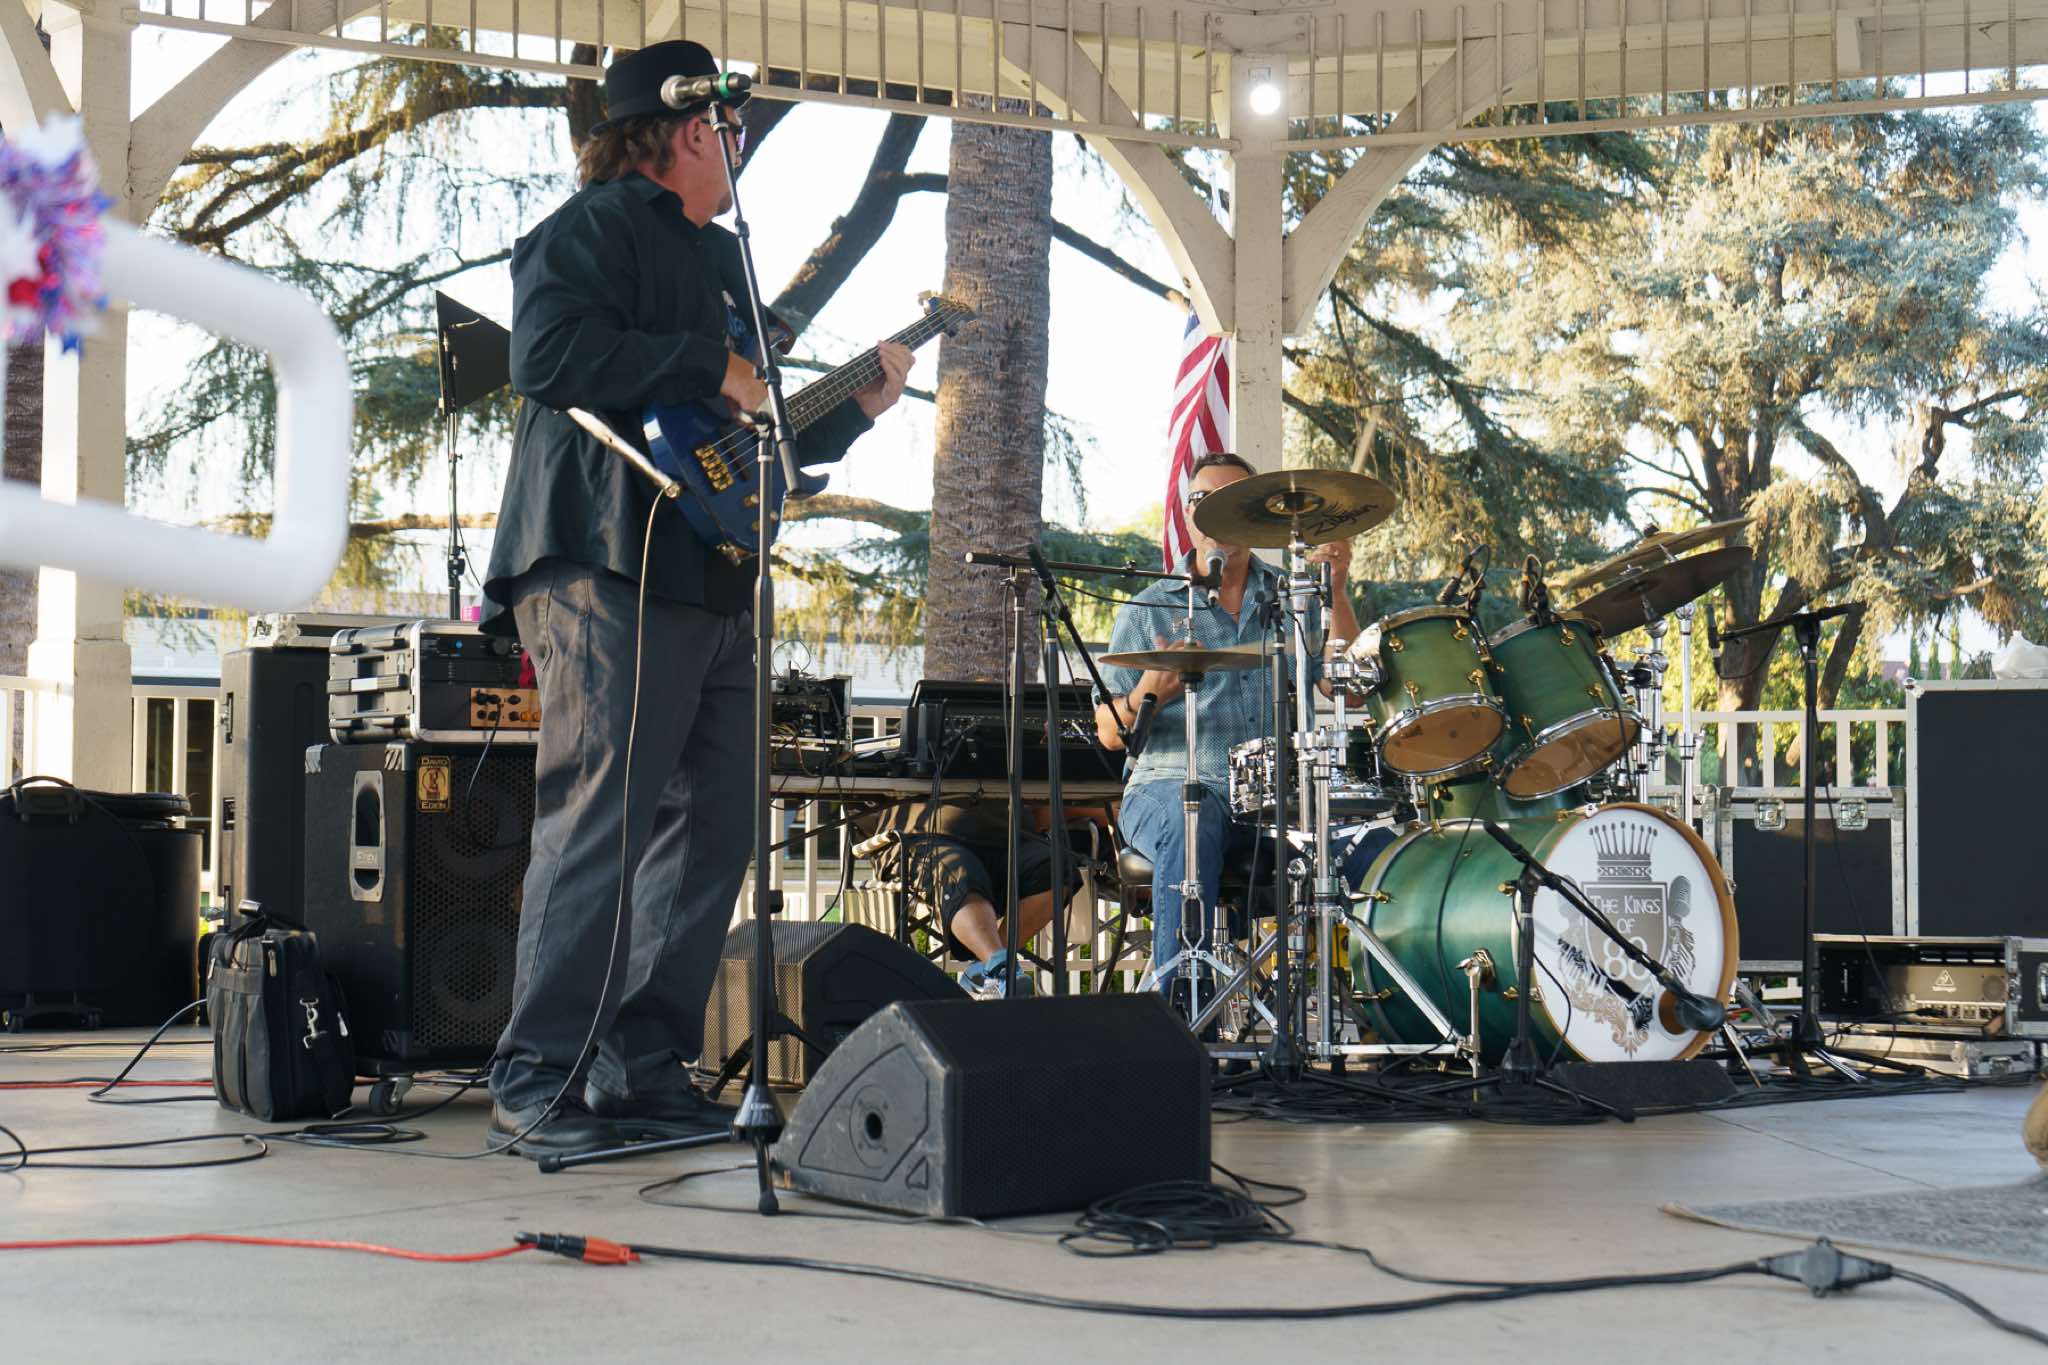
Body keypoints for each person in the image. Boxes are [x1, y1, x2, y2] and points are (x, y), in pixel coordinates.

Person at [479, 40, 913, 1161]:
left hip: (710, 570)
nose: (741, 146)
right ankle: (537, 1072)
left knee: (714, 823)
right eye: (729, 128)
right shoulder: (592, 226)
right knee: (601, 816)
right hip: (603, 556)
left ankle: (640, 1062)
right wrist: (708, 365)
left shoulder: (721, 259)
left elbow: (742, 435)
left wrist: (851, 409)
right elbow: (544, 353)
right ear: (685, 131)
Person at [1095, 450, 1395, 990]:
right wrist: (1147, 693)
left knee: (1372, 844)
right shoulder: (1149, 608)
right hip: (1168, 789)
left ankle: (1394, 1005)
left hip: (1275, 800)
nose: (1213, 510)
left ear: (1253, 513)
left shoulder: (1292, 595)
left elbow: (1344, 687)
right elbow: (1109, 733)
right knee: (1193, 821)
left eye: (1229, 499)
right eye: (1201, 499)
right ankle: (1185, 1008)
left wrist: (1336, 589)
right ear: (1188, 513)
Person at [860, 798, 1106, 997]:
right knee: (959, 871)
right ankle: (998, 968)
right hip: (925, 836)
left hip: (1007, 838)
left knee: (1057, 869)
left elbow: (1040, 807)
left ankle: (990, 967)